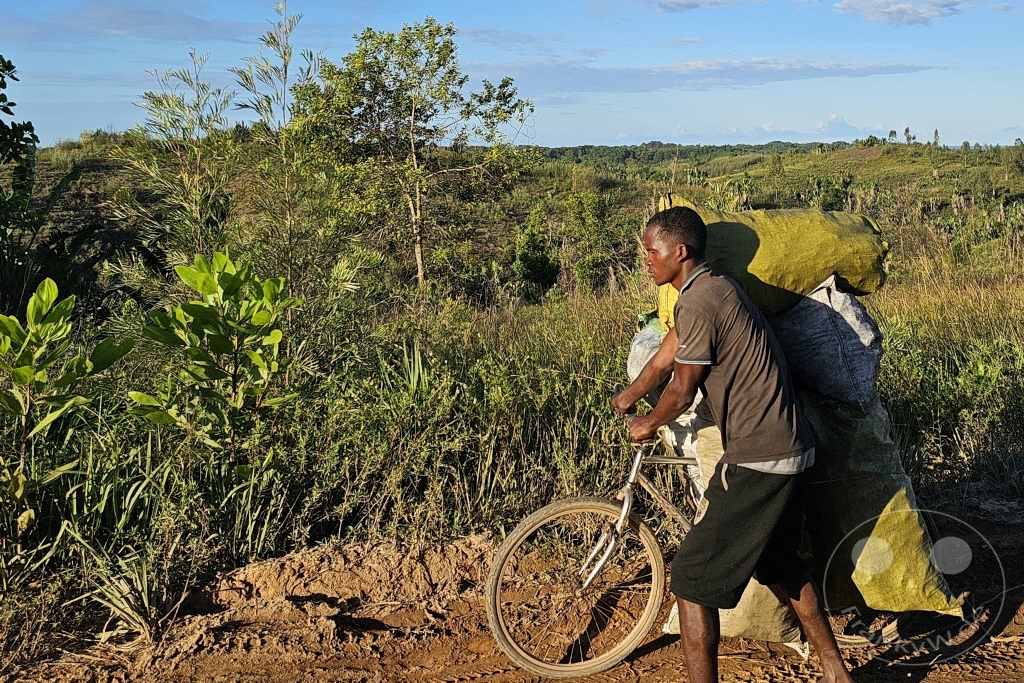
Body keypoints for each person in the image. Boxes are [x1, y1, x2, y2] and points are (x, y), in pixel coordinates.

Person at [611, 206, 855, 683]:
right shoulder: (714, 290)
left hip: (761, 455)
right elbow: (666, 354)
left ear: (679, 252)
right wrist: (629, 395)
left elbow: (682, 387)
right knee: (781, 561)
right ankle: (836, 673)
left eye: (650, 250)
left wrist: (650, 422)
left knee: (690, 580)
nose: (646, 259)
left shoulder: (701, 300)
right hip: (790, 447)